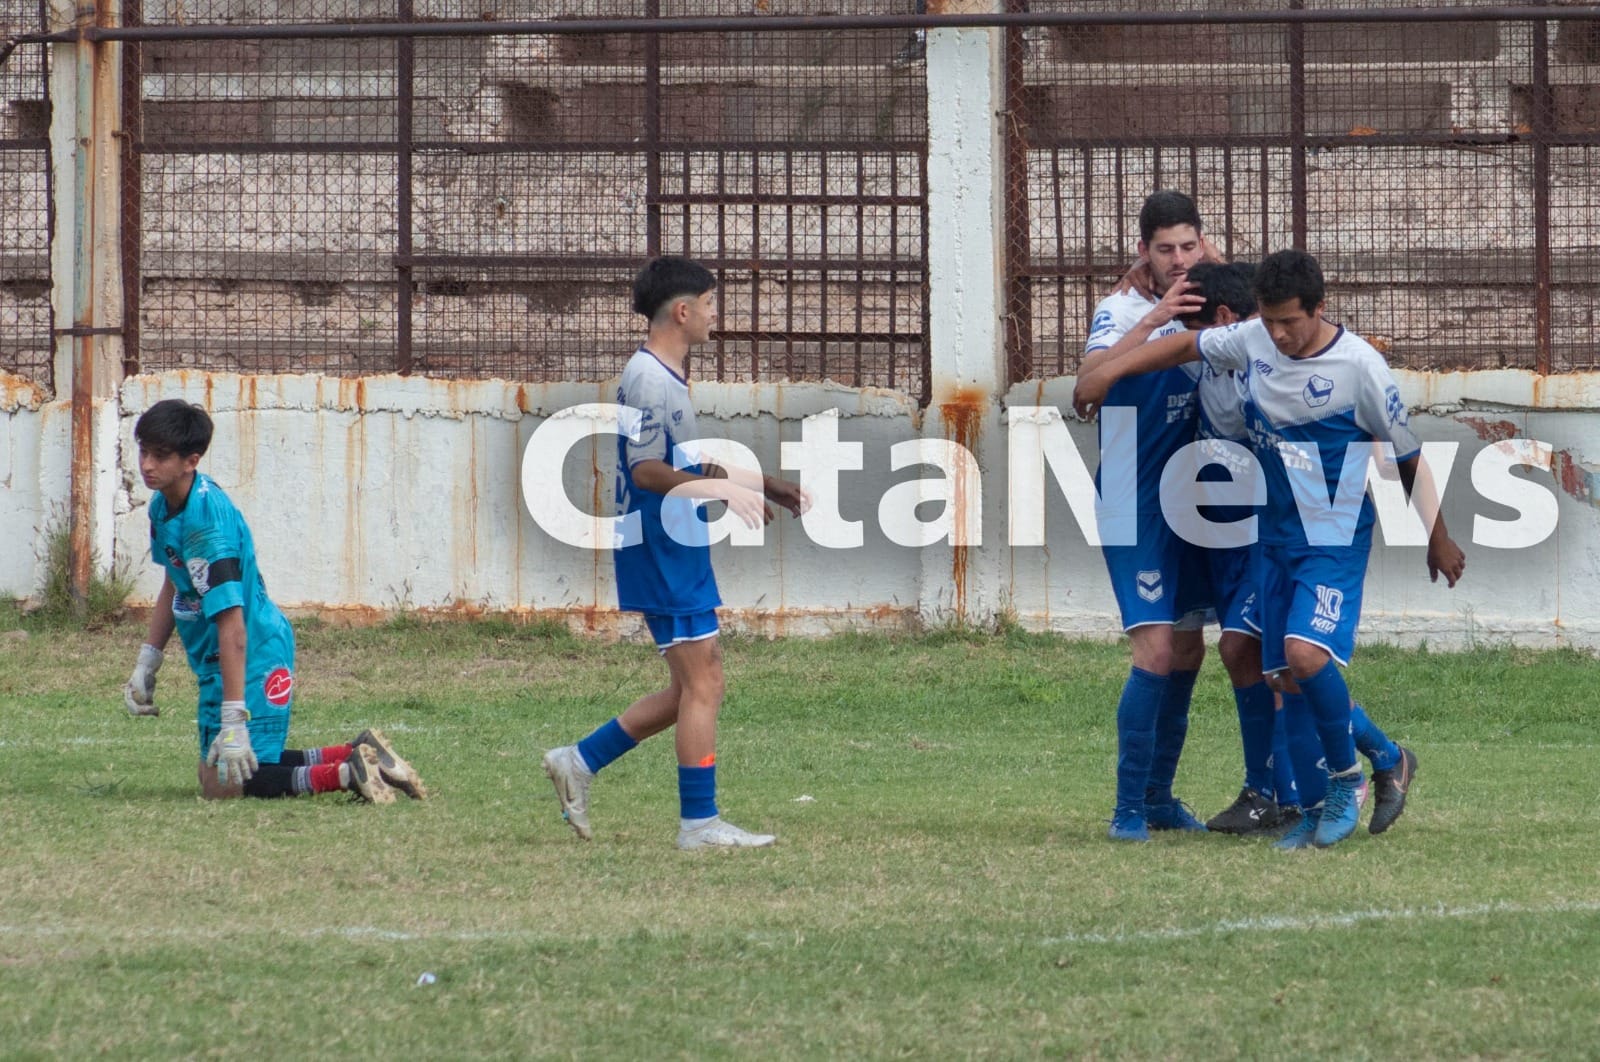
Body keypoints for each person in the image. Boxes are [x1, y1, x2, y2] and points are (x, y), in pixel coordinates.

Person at [1072, 249, 1464, 850]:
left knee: (1304, 658)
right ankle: (1368, 770)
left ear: (1319, 309)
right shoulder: (1253, 338)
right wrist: (1107, 373)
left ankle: (1344, 784)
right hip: (1272, 536)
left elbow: (1408, 456)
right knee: (1280, 676)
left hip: (1329, 531)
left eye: (1290, 322)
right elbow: (1183, 348)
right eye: (1270, 321)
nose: (1278, 334)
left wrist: (1438, 537)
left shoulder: (1360, 367)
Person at [541, 256, 810, 851]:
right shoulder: (647, 378)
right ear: (683, 311)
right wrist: (720, 490)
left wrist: (763, 483)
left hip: (675, 544)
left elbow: (683, 461)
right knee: (705, 682)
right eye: (711, 303)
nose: (717, 315)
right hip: (660, 546)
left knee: (693, 686)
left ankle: (579, 761)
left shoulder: (665, 376)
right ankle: (699, 825)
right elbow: (647, 470)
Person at [122, 398, 426, 804]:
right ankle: (358, 753)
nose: (146, 465)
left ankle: (343, 774)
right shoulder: (163, 507)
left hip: (255, 652)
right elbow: (173, 582)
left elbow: (233, 628)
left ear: (191, 461)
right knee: (216, 773)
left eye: (160, 456)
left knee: (225, 784)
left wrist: (234, 718)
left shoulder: (208, 528)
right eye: (144, 452)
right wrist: (148, 659)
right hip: (219, 657)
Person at [1081, 190, 1214, 842]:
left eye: (1190, 246)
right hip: (1132, 502)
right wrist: (1157, 315)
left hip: (1192, 504)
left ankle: (1159, 796)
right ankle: (1126, 808)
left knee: (1188, 650)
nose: (1178, 259)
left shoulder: (1211, 302)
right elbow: (1089, 384)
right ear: (1143, 251)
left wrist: (1205, 272)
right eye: (1165, 249)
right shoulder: (1120, 309)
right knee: (1156, 650)